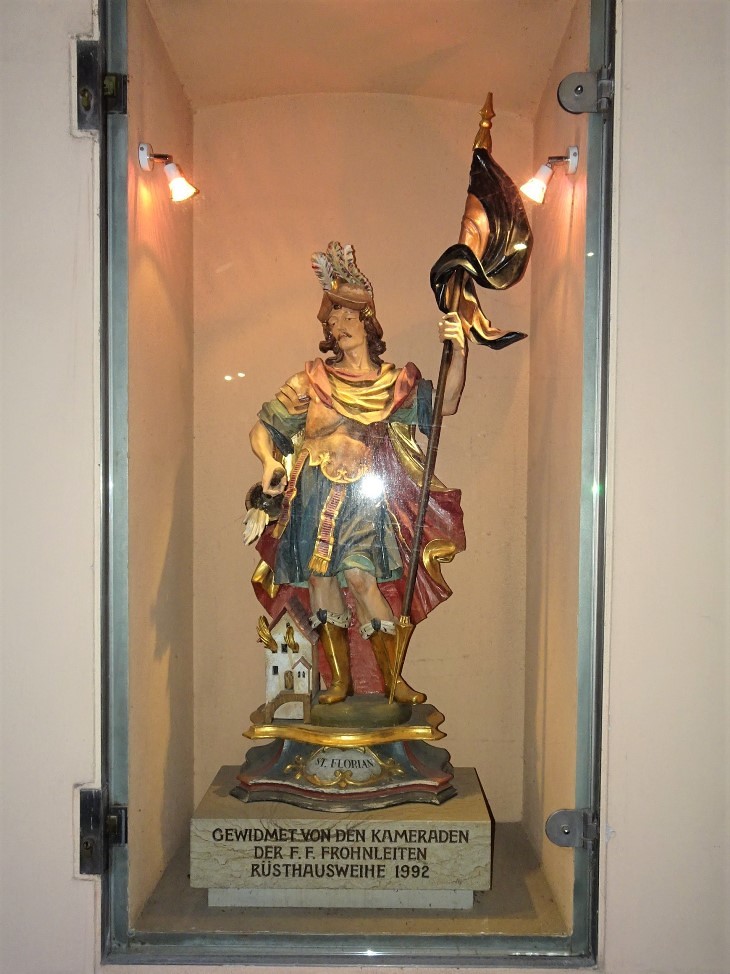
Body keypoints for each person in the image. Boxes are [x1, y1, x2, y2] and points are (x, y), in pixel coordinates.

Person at [244, 242, 467, 707]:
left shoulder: (391, 384)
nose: (338, 325)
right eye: (332, 320)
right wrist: (269, 462)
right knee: (321, 583)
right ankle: (339, 682)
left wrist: (459, 349)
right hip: (311, 494)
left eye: (347, 316)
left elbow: (445, 404)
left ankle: (392, 679)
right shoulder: (310, 381)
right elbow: (263, 429)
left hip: (364, 498)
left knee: (360, 577)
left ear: (367, 322)